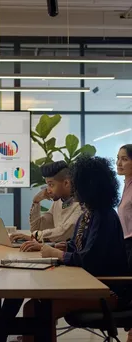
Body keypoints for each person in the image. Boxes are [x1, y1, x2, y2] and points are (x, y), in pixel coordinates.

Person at [21, 155, 131, 342]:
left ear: (87, 186)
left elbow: (89, 260)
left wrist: (56, 253)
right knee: (34, 307)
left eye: (76, 183)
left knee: (37, 308)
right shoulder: (89, 213)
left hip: (106, 290)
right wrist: (58, 246)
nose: (73, 188)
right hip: (90, 283)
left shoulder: (103, 217)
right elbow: (76, 245)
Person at [10, 161, 82, 252]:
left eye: (51, 185)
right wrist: (36, 202)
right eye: (47, 184)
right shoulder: (58, 202)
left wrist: (33, 237)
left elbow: (63, 232)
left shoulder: (81, 205)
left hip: (74, 260)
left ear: (66, 183)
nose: (48, 190)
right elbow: (37, 228)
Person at [117, 144, 132, 342]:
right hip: (126, 244)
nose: (119, 163)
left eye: (125, 159)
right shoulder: (126, 185)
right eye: (118, 158)